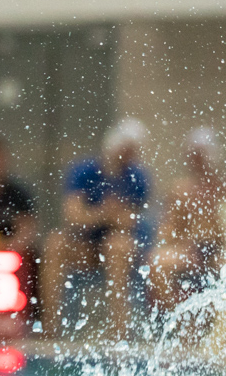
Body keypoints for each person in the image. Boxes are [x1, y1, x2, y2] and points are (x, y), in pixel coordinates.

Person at [40, 118, 152, 338]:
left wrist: (95, 215)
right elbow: (73, 217)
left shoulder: (137, 177)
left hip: (120, 250)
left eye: (132, 151)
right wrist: (105, 214)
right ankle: (50, 327)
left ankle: (119, 331)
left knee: (116, 246)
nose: (127, 155)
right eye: (125, 149)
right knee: (54, 243)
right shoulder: (84, 171)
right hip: (85, 247)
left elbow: (129, 222)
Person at [147, 127, 226, 316]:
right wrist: (182, 243)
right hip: (190, 249)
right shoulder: (180, 190)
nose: (199, 162)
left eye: (202, 156)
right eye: (195, 156)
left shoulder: (225, 189)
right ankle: (175, 316)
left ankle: (223, 320)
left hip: (219, 250)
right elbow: (168, 229)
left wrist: (216, 245)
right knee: (157, 262)